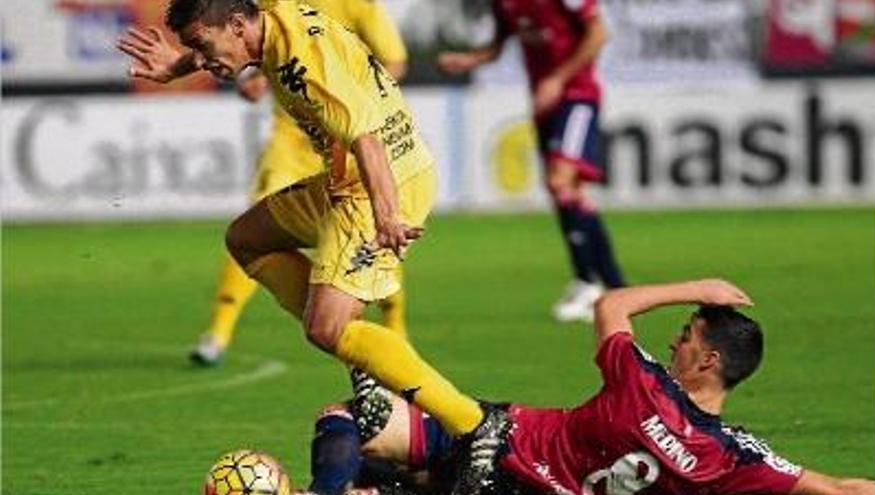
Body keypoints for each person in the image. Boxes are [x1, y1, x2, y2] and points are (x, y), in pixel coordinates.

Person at [117, 1, 506, 492]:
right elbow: (229, 33)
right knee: (247, 239)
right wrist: (182, 63)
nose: (202, 57)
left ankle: (475, 425)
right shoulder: (267, 15)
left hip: (378, 186)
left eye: (201, 44)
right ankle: (370, 365)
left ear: (237, 26)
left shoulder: (304, 63)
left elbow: (366, 138)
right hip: (343, 184)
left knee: (326, 328)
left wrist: (387, 215)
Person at [299, 279, 875, 495]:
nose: (675, 343)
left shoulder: (640, 378)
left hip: (501, 443)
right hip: (504, 452)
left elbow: (612, 303)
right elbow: (839, 488)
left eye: (686, 336)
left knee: (355, 418)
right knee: (369, 429)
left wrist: (698, 286)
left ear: (709, 359)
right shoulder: (728, 456)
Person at [118, 0, 411, 366]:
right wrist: (252, 72)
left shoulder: (356, 5)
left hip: (352, 139)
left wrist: (350, 89)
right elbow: (230, 33)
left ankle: (392, 331)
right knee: (252, 231)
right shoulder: (273, 5)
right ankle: (219, 332)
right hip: (292, 141)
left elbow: (394, 61)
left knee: (373, 232)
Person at [438, 0, 626, 323]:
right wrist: (470, 59)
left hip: (577, 97)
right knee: (569, 193)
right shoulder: (504, 4)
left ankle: (586, 282)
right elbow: (499, 45)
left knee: (560, 182)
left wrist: (558, 78)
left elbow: (598, 33)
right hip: (546, 105)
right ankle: (615, 286)